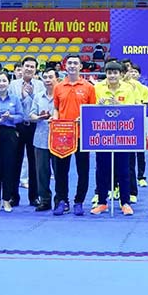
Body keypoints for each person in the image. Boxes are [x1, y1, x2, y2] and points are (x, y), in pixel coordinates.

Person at [91, 61, 140, 216]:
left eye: (115, 73)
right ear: (106, 74)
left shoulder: (128, 88)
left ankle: (125, 202)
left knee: (124, 170)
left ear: (120, 74)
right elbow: (90, 110)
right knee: (102, 170)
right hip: (102, 135)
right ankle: (102, 202)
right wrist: (98, 107)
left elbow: (132, 111)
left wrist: (117, 104)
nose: (112, 76)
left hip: (122, 135)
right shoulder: (97, 88)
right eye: (109, 73)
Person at [53, 54, 97, 216]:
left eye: (75, 63)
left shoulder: (88, 87)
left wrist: (83, 118)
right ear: (65, 66)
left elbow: (92, 111)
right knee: (61, 171)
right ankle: (62, 200)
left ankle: (79, 201)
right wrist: (55, 119)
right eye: (69, 63)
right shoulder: (58, 87)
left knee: (83, 170)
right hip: (63, 135)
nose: (72, 65)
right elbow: (56, 108)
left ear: (80, 66)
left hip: (81, 136)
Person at [0, 72, 24, 212]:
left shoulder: (15, 98)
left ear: (9, 82)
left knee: (9, 168)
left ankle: (6, 200)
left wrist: (11, 117)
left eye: (4, 80)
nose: (1, 83)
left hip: (10, 135)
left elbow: (21, 116)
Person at [29, 67, 60, 213]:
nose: (47, 80)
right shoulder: (38, 96)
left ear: (57, 79)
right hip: (40, 139)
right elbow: (31, 115)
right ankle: (45, 200)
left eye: (50, 77)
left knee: (59, 171)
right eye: (45, 77)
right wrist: (38, 117)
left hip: (59, 140)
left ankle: (60, 199)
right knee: (41, 172)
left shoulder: (61, 96)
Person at [16, 56, 44, 207]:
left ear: (35, 69)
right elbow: (11, 104)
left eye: (32, 67)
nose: (29, 69)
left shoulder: (40, 85)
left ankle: (34, 196)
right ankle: (13, 196)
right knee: (15, 162)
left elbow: (41, 105)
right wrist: (21, 95)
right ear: (21, 67)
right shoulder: (13, 84)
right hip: (18, 126)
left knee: (34, 164)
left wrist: (32, 94)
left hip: (34, 126)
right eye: (27, 66)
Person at [123, 61, 148, 193]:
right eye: (130, 70)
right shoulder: (120, 86)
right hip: (123, 125)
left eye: (135, 71)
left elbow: (142, 105)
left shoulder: (142, 88)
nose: (132, 73)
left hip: (138, 123)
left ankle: (141, 176)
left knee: (140, 152)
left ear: (139, 75)